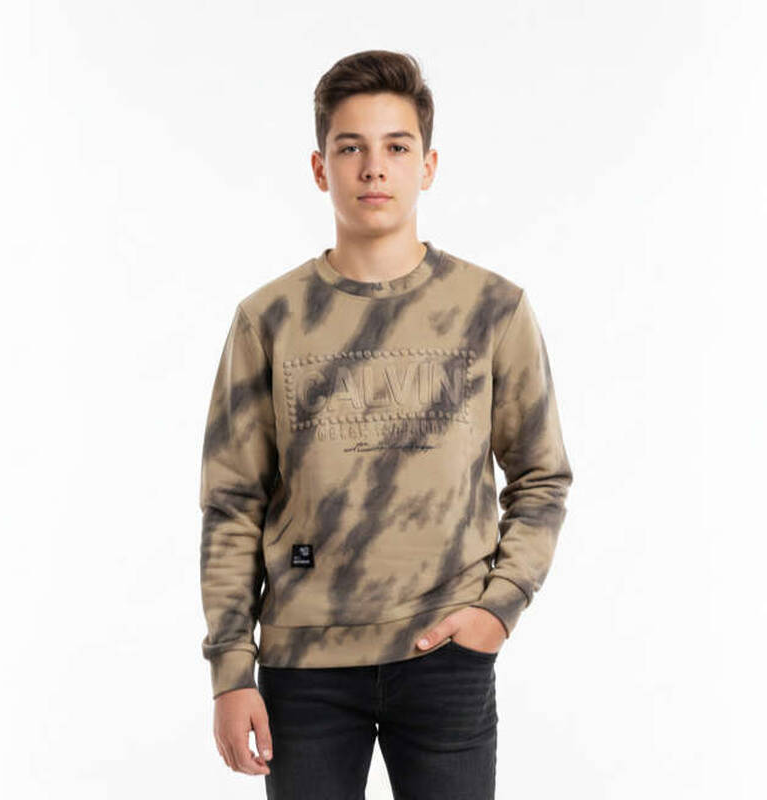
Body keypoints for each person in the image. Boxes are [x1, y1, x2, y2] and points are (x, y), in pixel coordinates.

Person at [198, 49, 573, 800]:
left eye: (397, 147)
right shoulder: (268, 320)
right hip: (304, 669)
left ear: (427, 166)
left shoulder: (492, 309)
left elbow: (541, 477)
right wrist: (231, 671)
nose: (375, 168)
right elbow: (232, 503)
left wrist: (497, 610)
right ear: (320, 168)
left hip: (445, 655)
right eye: (351, 148)